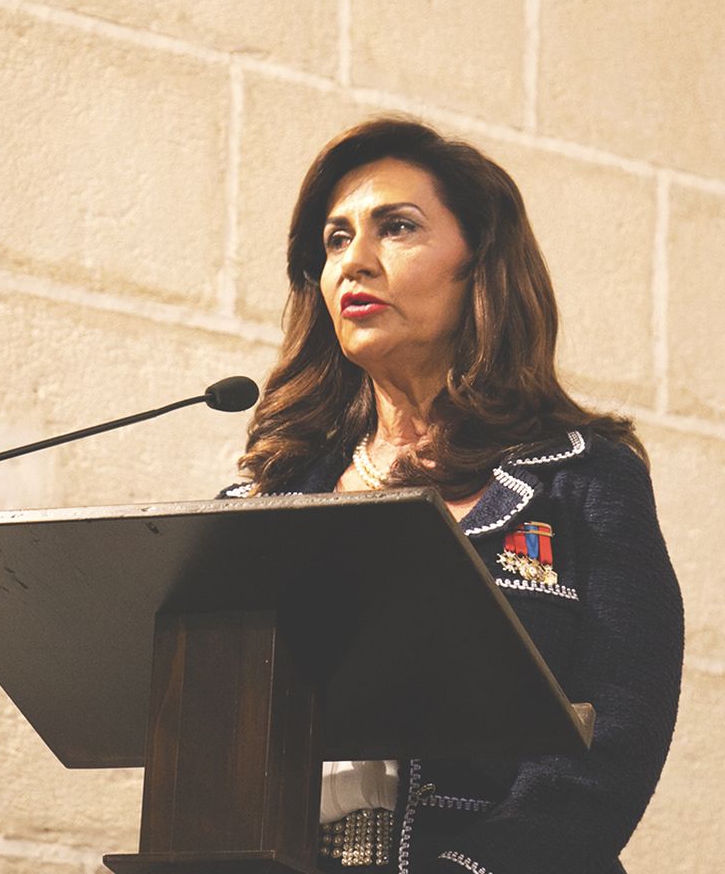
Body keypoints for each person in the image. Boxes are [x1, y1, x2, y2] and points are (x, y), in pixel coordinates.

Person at [222, 118, 683, 874]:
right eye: (335, 242)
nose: (353, 263)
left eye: (395, 229)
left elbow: (612, 749)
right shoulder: (268, 498)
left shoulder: (582, 481)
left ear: (480, 265)